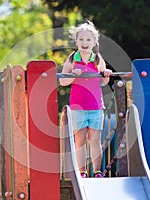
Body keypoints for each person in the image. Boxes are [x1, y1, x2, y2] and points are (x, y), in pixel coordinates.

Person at [59, 21, 112, 178]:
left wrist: (106, 75)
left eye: (88, 40)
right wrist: (72, 76)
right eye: (81, 39)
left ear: (94, 42)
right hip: (78, 107)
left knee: (94, 141)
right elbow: (62, 81)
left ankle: (97, 171)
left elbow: (102, 82)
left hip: (96, 106)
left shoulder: (97, 60)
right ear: (76, 41)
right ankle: (81, 172)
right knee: (80, 141)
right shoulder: (71, 59)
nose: (84, 43)